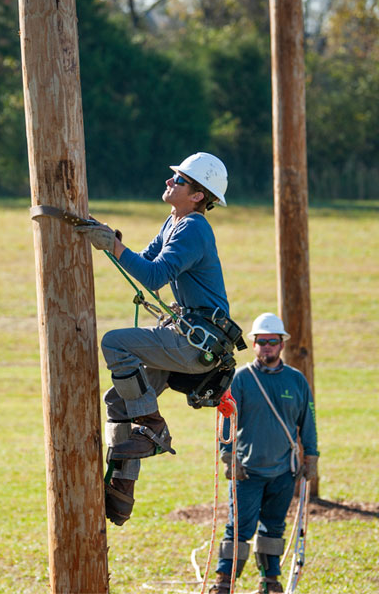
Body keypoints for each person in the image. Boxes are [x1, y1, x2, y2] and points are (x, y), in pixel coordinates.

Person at [75, 152, 245, 526]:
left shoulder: (194, 228)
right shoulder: (174, 221)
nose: (170, 182)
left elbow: (154, 278)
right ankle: (121, 489)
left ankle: (153, 425)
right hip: (188, 336)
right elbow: (145, 261)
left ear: (198, 195)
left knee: (115, 343)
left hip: (197, 343)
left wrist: (112, 247)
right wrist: (113, 240)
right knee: (119, 399)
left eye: (179, 180)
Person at [209, 313, 319, 594]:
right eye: (261, 341)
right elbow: (226, 421)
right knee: (239, 531)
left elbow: (308, 422)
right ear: (254, 344)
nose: (267, 346)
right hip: (247, 471)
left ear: (282, 344)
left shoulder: (297, 381)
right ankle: (224, 581)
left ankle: (270, 581)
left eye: (272, 341)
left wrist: (311, 459)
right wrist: (228, 457)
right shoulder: (242, 379)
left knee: (273, 528)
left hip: (284, 471)